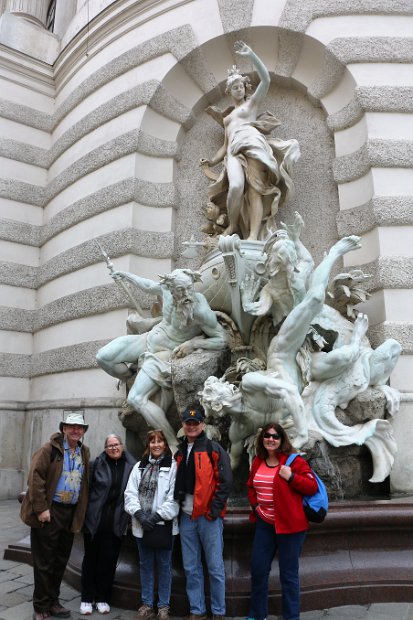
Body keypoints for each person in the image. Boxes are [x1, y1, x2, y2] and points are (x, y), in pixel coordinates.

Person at [96, 268, 228, 449]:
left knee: (136, 398)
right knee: (103, 357)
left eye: (189, 288)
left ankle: (172, 443)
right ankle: (130, 377)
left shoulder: (200, 310)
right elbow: (148, 285)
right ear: (171, 288)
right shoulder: (166, 290)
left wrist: (193, 344)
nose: (187, 294)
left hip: (164, 354)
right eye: (181, 290)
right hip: (148, 338)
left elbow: (222, 339)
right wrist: (127, 275)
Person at [200, 40, 300, 241]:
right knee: (236, 187)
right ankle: (234, 224)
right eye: (234, 87)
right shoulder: (227, 119)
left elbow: (266, 81)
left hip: (254, 146)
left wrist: (252, 55)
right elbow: (225, 146)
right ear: (229, 91)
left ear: (245, 88)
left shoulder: (251, 105)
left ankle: (253, 236)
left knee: (255, 191)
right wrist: (211, 162)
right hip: (234, 152)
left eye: (240, 86)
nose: (238, 89)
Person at [20, 412, 90, 620]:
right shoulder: (48, 449)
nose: (76, 430)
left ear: (83, 431)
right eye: (72, 427)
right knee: (44, 561)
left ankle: (53, 601)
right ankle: (40, 606)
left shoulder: (83, 451)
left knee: (61, 560)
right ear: (64, 429)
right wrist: (41, 509)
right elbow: (35, 478)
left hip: (71, 511)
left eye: (80, 428)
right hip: (51, 510)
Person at [247, 423, 318, 620]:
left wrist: (292, 477)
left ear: (282, 440)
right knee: (258, 569)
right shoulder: (258, 461)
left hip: (290, 526)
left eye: (275, 436)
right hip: (265, 524)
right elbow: (251, 488)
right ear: (262, 439)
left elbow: (311, 486)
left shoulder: (293, 461)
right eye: (267, 436)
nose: (271, 439)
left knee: (288, 575)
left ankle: (291, 617)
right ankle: (257, 613)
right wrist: (255, 507)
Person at [174, 404, 233, 620]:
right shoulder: (179, 451)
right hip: (186, 518)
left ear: (202, 424)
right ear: (183, 425)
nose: (191, 426)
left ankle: (218, 611)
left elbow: (226, 482)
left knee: (215, 568)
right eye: (188, 423)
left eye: (195, 423)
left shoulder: (214, 449)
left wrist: (213, 511)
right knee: (191, 568)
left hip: (208, 518)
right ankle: (197, 610)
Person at [124, 429, 179, 620]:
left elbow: (174, 498)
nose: (156, 445)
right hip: (141, 525)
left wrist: (155, 517)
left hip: (163, 526)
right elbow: (129, 494)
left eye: (160, 441)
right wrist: (139, 514)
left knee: (164, 566)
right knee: (145, 565)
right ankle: (147, 604)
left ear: (165, 444)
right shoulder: (139, 467)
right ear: (148, 445)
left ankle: (164, 606)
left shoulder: (172, 467)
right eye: (152, 441)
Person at [79, 434, 136, 615]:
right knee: (91, 560)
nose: (113, 448)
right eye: (109, 445)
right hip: (95, 521)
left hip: (116, 523)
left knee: (109, 562)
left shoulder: (132, 467)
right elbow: (86, 490)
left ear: (122, 446)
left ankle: (103, 598)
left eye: (116, 444)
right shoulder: (96, 464)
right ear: (105, 448)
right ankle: (87, 598)